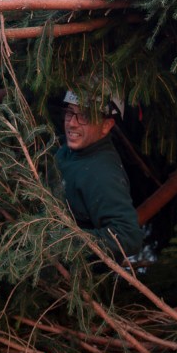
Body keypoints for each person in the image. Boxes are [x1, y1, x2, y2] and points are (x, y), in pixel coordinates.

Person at [55, 90, 143, 261]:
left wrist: (62, 243)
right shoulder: (70, 148)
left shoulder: (102, 173)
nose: (72, 123)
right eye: (70, 113)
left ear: (106, 126)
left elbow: (128, 236)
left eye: (85, 116)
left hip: (71, 277)